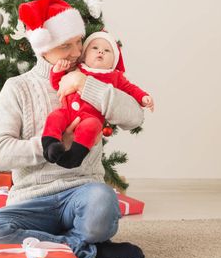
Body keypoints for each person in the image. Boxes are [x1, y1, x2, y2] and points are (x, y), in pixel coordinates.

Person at [0, 0, 145, 258]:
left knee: (103, 204)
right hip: (30, 200)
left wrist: (86, 85)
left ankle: (60, 241)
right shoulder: (17, 88)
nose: (77, 52)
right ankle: (89, 248)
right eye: (66, 46)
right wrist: (51, 146)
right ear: (43, 49)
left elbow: (135, 117)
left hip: (82, 191)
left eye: (79, 41)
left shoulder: (93, 76)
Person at [42, 31, 154, 169]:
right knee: (55, 117)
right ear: (84, 55)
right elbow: (58, 84)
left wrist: (143, 97)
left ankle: (74, 157)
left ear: (114, 60)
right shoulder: (78, 69)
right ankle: (50, 145)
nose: (100, 51)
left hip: (90, 117)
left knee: (92, 127)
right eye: (94, 48)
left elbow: (131, 89)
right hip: (68, 112)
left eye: (107, 50)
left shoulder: (115, 77)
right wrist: (57, 71)